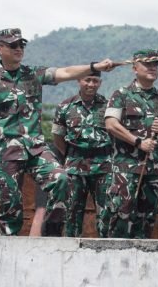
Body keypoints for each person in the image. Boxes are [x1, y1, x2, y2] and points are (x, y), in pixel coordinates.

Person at [0, 28, 116, 236]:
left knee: (60, 178)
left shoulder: (34, 74)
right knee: (10, 207)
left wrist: (94, 67)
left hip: (35, 149)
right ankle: (7, 248)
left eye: (21, 45)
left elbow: (66, 73)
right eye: (13, 45)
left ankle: (52, 230)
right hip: (5, 152)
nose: (19, 49)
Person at [104, 49, 158, 238]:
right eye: (148, 64)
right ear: (135, 68)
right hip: (126, 167)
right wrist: (138, 142)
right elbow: (111, 124)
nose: (152, 68)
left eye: (155, 64)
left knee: (148, 214)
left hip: (154, 167)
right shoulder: (121, 94)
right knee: (121, 211)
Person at [52, 70, 113, 237]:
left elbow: (115, 134)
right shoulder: (65, 106)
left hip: (103, 166)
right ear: (79, 80)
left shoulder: (108, 107)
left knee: (107, 213)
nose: (91, 84)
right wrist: (73, 155)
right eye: (87, 80)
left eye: (95, 80)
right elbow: (58, 137)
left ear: (100, 82)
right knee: (71, 213)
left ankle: (106, 250)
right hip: (75, 167)